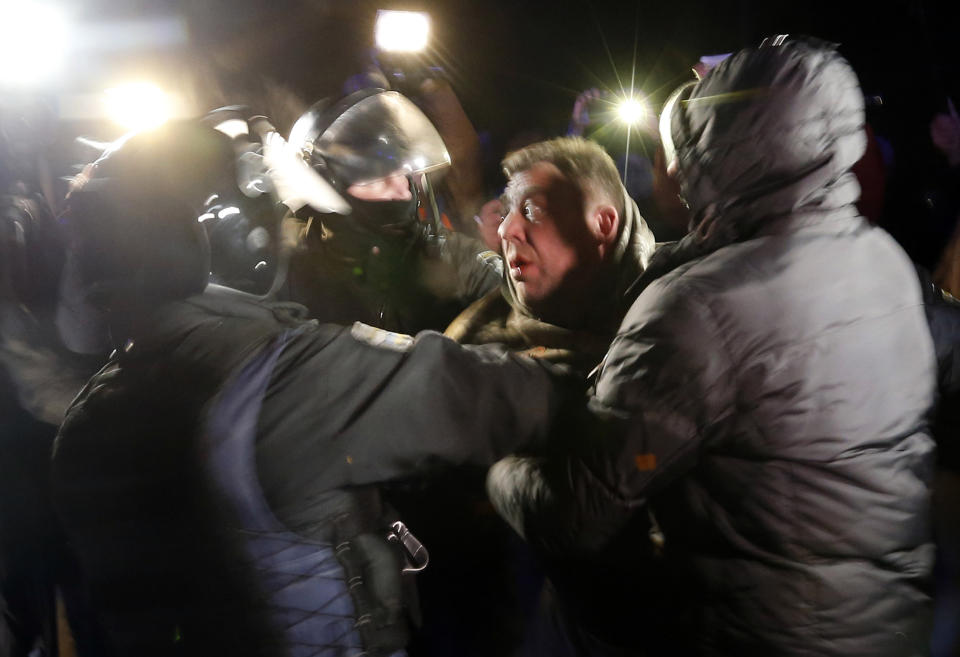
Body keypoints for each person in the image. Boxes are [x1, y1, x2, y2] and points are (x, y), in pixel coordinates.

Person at [487, 36, 939, 656]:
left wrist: (497, 461)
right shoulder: (885, 261)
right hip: (887, 627)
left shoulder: (697, 310)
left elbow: (580, 514)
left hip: (762, 636)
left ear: (721, 154)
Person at [50, 119, 569, 657]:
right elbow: (519, 398)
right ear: (206, 238)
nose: (287, 225)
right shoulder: (288, 373)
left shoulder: (83, 426)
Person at [280, 87, 501, 334]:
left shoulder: (450, 255)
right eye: (379, 178)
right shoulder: (288, 273)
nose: (404, 191)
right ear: (324, 185)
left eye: (402, 174)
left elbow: (511, 299)